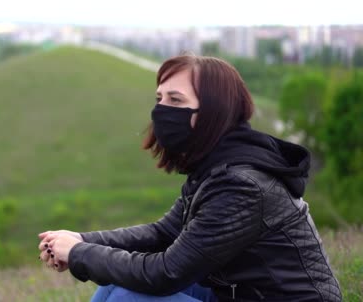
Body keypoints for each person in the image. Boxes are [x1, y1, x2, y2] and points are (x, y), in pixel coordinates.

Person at [37, 54, 342, 301]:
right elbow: (162, 234)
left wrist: (79, 253)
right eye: (160, 98)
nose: (161, 111)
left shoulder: (242, 186)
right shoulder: (216, 166)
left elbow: (166, 273)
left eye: (176, 100)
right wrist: (81, 240)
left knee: (132, 298)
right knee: (115, 287)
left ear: (213, 111)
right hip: (239, 294)